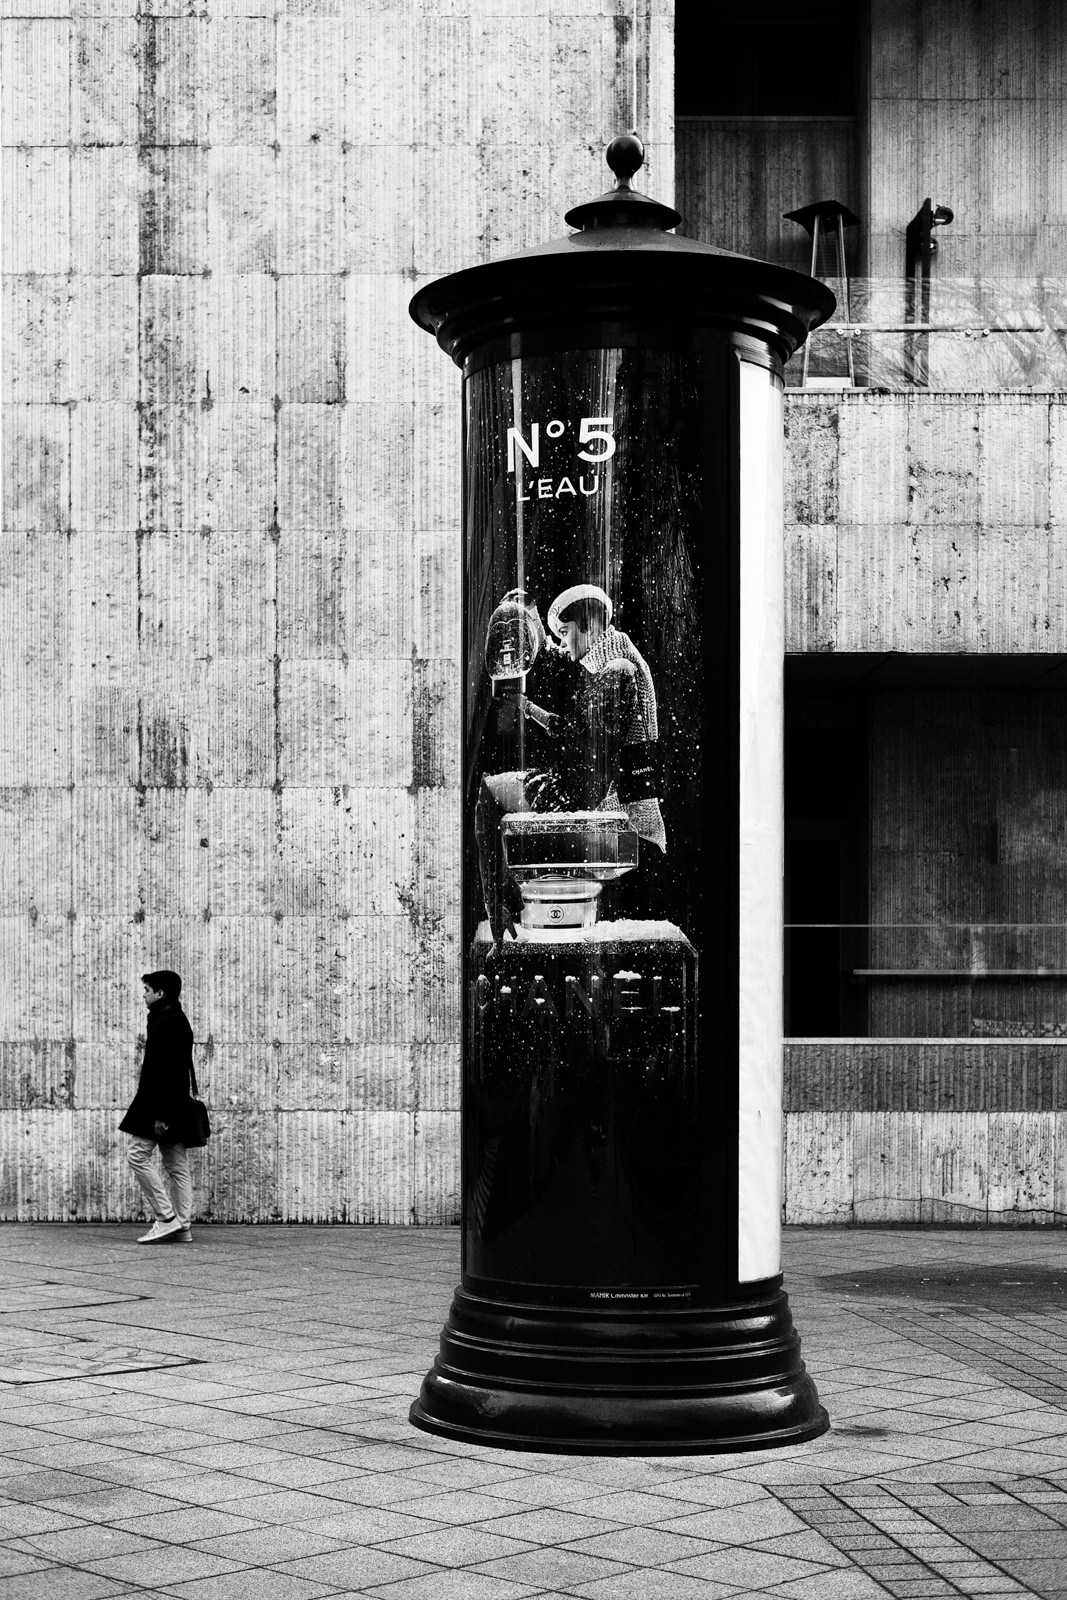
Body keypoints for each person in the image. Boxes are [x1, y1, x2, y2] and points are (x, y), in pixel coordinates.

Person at [476, 583, 667, 941]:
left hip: (581, 796)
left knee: (487, 793)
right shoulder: (618, 667)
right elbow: (582, 731)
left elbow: (586, 744)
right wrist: (531, 709)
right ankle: (504, 904)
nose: (563, 644)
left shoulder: (618, 671)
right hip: (590, 791)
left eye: (565, 633)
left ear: (590, 625)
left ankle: (500, 905)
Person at [119, 970, 203, 1243]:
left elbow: (165, 1071)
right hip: (174, 1103)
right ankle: (182, 1226)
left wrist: (159, 1115)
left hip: (159, 1104)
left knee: (137, 1155)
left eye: (147, 989)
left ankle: (166, 1218)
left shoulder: (166, 1021)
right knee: (177, 1166)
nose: (143, 994)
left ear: (160, 993)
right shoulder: (174, 1018)